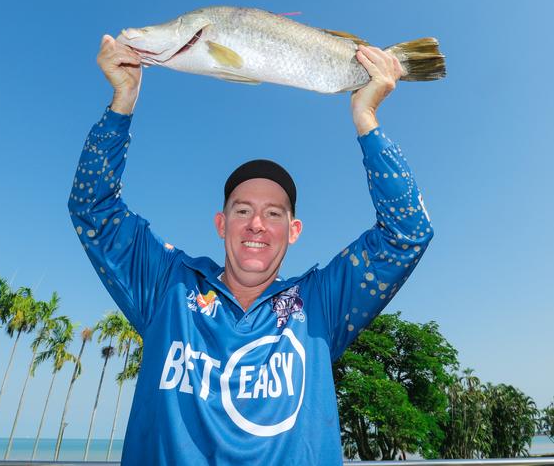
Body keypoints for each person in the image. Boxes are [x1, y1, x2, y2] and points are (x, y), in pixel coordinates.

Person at [68, 34, 433, 465]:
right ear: (221, 224)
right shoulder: (166, 286)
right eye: (243, 210)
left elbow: (407, 232)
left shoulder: (320, 305)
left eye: (274, 214)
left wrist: (366, 116)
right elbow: (93, 208)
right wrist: (123, 99)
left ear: (293, 230)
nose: (257, 224)